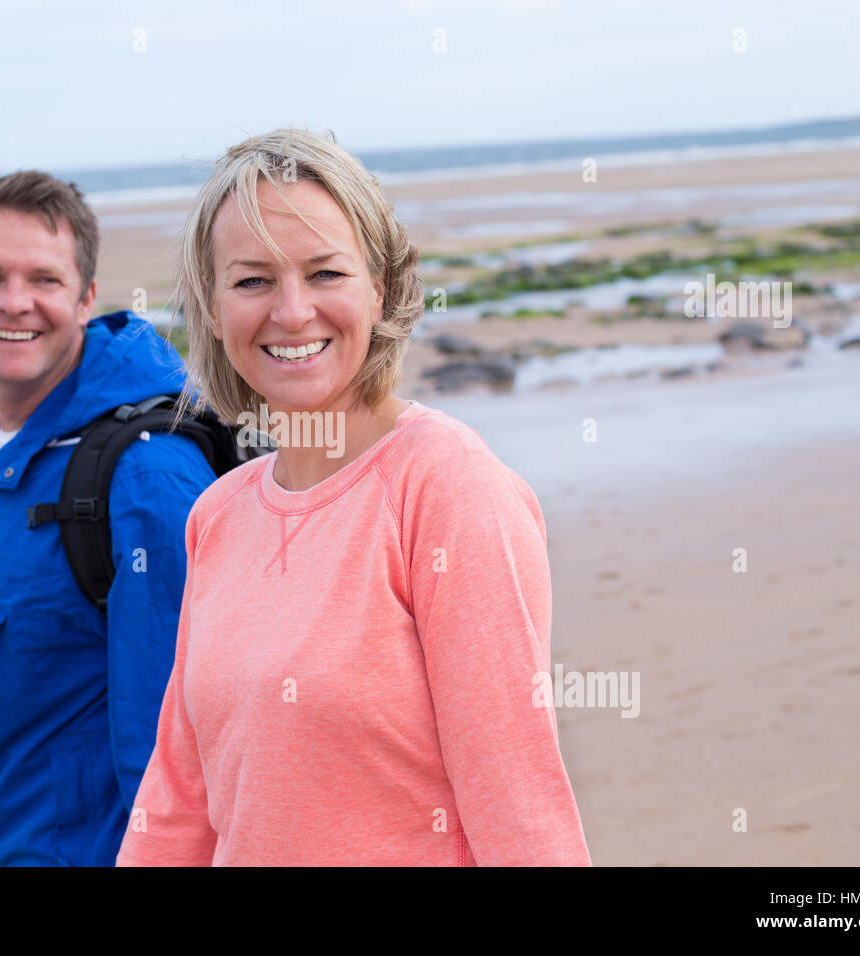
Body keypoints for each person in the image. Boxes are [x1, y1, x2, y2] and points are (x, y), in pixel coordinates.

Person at [117, 129, 591, 866]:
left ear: (382, 288)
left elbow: (518, 804)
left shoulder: (447, 486)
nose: (293, 311)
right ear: (213, 309)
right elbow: (177, 801)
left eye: (326, 272)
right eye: (252, 280)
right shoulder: (217, 514)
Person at [0, 171, 216, 866]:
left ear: (86, 297)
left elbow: (172, 739)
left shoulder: (144, 477)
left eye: (43, 278)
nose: (14, 303)